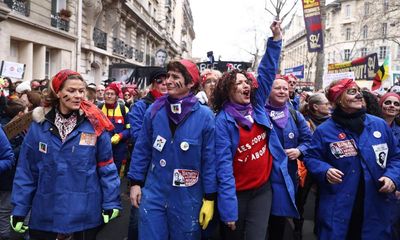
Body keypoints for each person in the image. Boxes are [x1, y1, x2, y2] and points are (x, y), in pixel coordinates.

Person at [10, 69, 121, 240]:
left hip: (84, 213)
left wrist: (111, 201)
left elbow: (106, 165)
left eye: (81, 91)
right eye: (71, 90)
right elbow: (27, 171)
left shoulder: (95, 125)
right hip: (46, 211)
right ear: (58, 92)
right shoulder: (39, 126)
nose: (78, 95)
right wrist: (19, 208)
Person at [214, 22, 298, 240]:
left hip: (263, 190)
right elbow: (223, 166)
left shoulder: (257, 105)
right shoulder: (222, 122)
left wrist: (276, 39)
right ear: (227, 90)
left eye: (246, 82)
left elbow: (267, 71)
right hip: (236, 194)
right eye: (238, 83)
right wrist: (228, 207)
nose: (245, 86)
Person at [128, 60, 217, 240]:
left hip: (187, 197)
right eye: (168, 76)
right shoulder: (154, 110)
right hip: (154, 193)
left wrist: (209, 197)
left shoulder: (205, 116)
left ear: (190, 83)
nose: (168, 81)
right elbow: (142, 149)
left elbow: (209, 161)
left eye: (175, 77)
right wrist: (136, 182)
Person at [304, 78, 400, 239]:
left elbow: (396, 157)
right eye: (352, 92)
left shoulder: (379, 125)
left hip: (375, 203)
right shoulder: (324, 131)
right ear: (339, 100)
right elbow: (311, 157)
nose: (358, 96)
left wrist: (392, 177)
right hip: (339, 205)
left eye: (359, 92)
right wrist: (324, 170)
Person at [265, 77, 312, 240]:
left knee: (279, 219)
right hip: (264, 177)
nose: (282, 91)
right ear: (268, 91)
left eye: (285, 89)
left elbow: (309, 141)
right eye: (277, 88)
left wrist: (299, 151)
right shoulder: (258, 113)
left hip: (287, 176)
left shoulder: (295, 115)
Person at [126, 67, 167, 240]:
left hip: (165, 169)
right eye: (160, 80)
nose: (165, 83)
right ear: (152, 84)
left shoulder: (175, 105)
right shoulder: (141, 106)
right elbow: (137, 136)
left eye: (168, 79)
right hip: (143, 167)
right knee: (138, 212)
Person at [294, 93, 332, 239]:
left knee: (322, 199)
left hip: (324, 166)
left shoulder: (332, 122)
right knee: (301, 200)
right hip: (306, 167)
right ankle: (297, 229)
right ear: (316, 107)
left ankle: (318, 230)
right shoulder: (303, 121)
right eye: (326, 104)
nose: (329, 107)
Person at [0, 99, 26, 240]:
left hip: (8, 178)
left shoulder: (12, 129)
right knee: (4, 210)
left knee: (5, 208)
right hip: (7, 179)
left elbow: (8, 157)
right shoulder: (6, 129)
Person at [378, 92, 400, 239]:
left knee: (391, 224)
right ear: (381, 105)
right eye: (388, 102)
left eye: (396, 104)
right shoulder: (367, 125)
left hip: (394, 185)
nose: (392, 106)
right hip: (372, 180)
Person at [100, 82, 130, 176]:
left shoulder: (124, 109)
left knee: (116, 174)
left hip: (119, 149)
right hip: (102, 148)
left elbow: (129, 130)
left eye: (112, 94)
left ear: (117, 97)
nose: (109, 96)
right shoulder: (98, 109)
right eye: (107, 94)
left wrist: (119, 136)